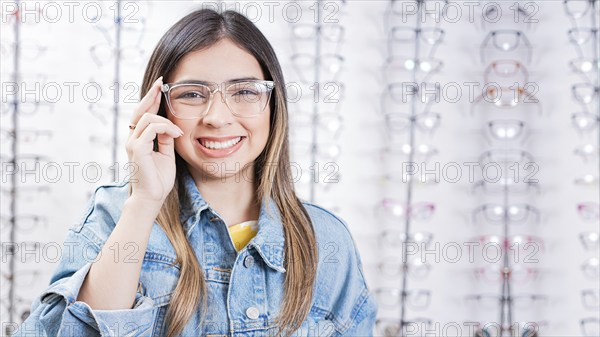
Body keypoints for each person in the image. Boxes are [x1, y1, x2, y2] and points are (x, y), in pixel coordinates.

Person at [12, 8, 377, 337]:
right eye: (192, 94)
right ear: (159, 109)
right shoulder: (116, 216)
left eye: (245, 92)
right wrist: (144, 202)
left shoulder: (325, 241)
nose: (217, 117)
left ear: (273, 106)